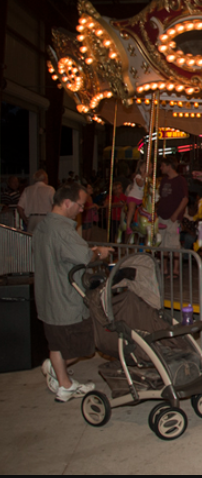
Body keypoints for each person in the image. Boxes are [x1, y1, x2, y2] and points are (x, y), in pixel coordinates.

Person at [33, 183, 113, 402]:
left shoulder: (42, 227)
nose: (81, 209)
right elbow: (85, 257)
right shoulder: (63, 231)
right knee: (80, 347)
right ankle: (59, 376)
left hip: (47, 298)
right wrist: (100, 252)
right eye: (80, 205)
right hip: (65, 300)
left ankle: (62, 381)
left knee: (57, 344)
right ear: (67, 203)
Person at [156, 157, 189, 278]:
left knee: (174, 243)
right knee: (163, 243)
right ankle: (164, 268)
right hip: (162, 215)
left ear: (169, 166)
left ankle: (175, 270)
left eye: (163, 165)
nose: (161, 168)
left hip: (173, 217)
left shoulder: (180, 180)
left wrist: (176, 214)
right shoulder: (164, 180)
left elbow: (185, 198)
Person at [125, 160, 146, 236]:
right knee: (132, 209)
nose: (146, 169)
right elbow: (140, 184)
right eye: (144, 167)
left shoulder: (148, 178)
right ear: (140, 169)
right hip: (133, 197)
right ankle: (128, 226)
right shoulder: (138, 176)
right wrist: (143, 177)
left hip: (141, 199)